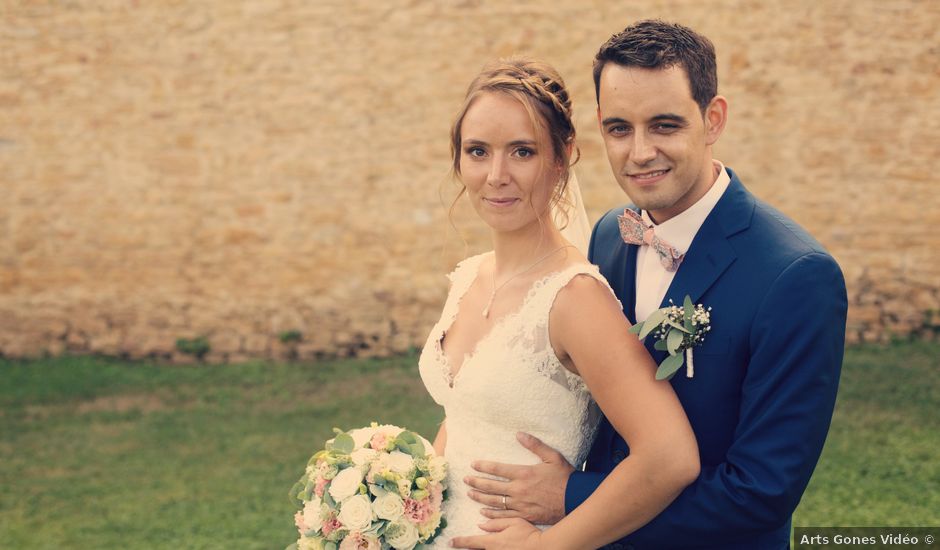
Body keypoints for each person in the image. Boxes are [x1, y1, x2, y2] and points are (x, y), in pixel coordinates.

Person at [458, 20, 848, 549]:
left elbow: (760, 493)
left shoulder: (796, 276)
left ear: (713, 119)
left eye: (664, 125)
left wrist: (572, 497)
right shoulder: (610, 236)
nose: (639, 152)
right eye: (619, 128)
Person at [417, 56, 700, 550]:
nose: (496, 175)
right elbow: (465, 415)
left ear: (562, 156)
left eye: (521, 152)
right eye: (477, 151)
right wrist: (398, 494)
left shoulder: (574, 297)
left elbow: (670, 457)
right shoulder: (469, 276)